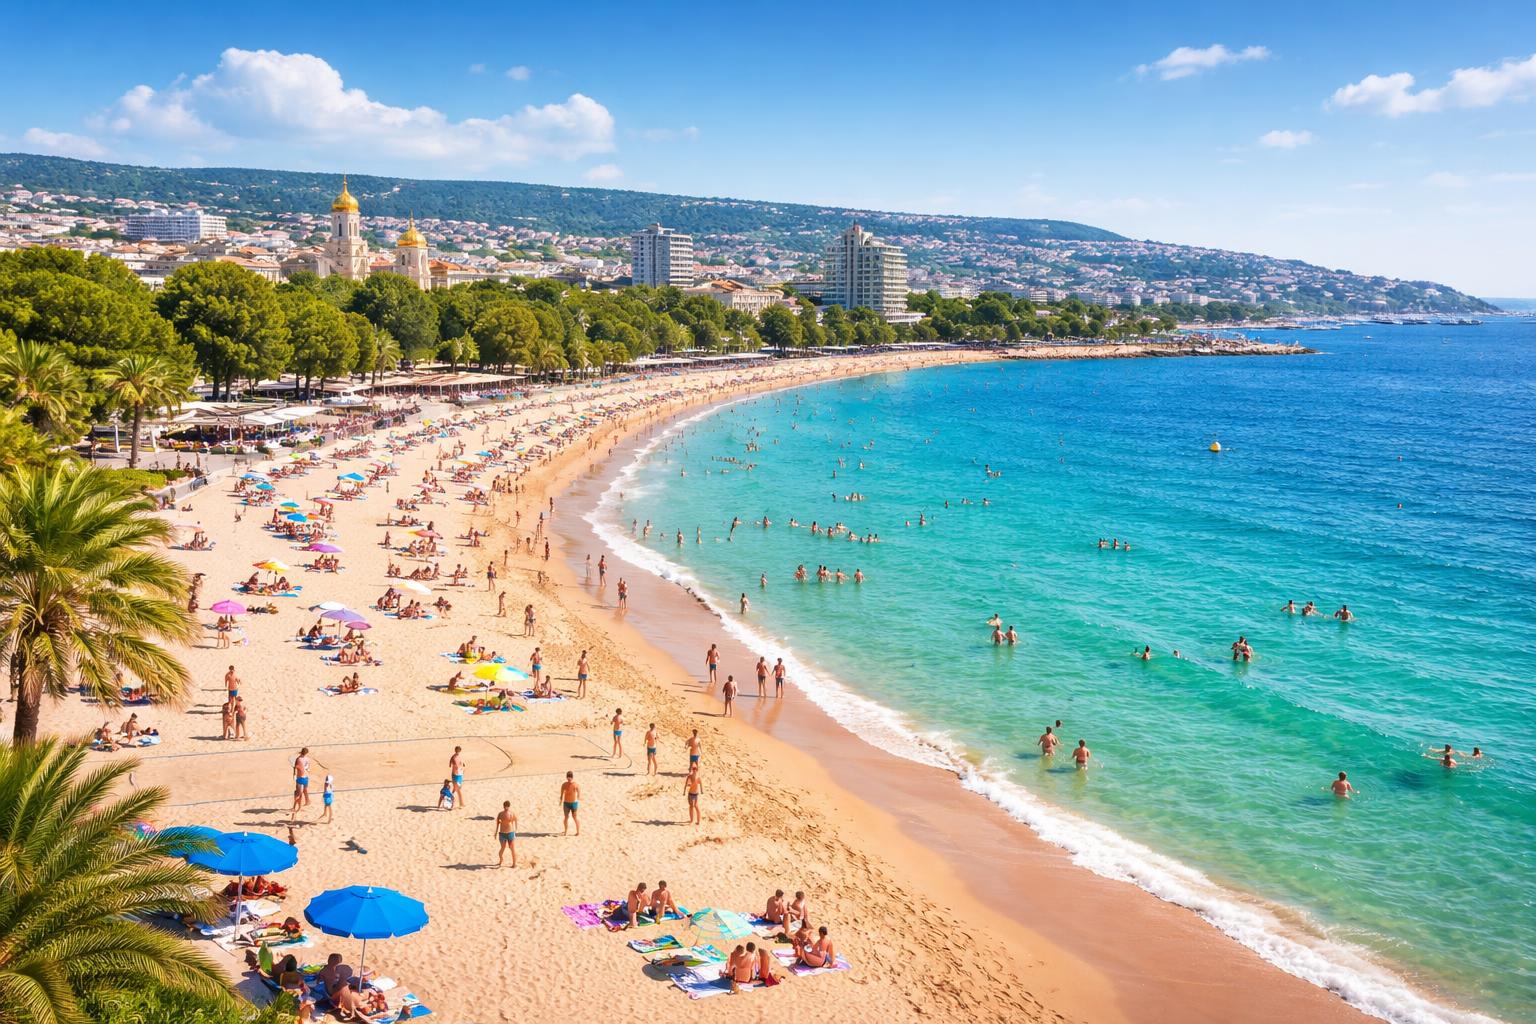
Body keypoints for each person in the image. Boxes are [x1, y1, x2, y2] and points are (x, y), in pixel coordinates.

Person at [495, 800, 518, 868]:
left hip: (510, 833)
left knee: (512, 848)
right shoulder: (500, 814)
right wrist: (495, 833)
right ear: (503, 806)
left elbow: (515, 820)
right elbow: (497, 824)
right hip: (502, 833)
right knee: (503, 848)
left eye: (507, 807)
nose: (506, 808)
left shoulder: (511, 813)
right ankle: (501, 860)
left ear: (509, 807)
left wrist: (515, 831)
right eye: (505, 807)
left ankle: (514, 864)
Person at [560, 771, 581, 836]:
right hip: (566, 803)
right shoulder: (564, 785)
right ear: (566, 777)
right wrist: (560, 801)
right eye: (568, 778)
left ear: (572, 778)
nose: (569, 780)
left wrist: (578, 797)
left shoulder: (576, 785)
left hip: (574, 803)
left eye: (570, 778)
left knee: (575, 817)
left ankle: (578, 832)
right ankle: (565, 831)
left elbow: (579, 794)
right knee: (566, 817)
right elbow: (561, 794)